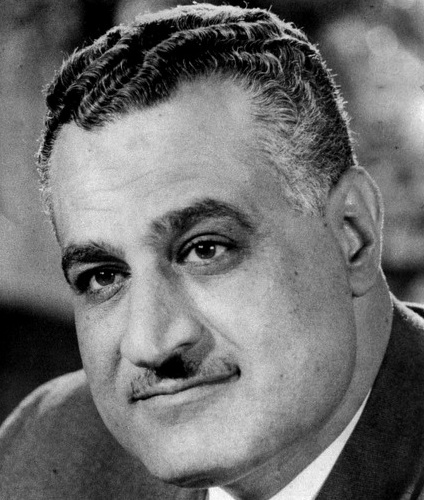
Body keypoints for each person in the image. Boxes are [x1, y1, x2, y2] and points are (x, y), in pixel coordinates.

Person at [1, 3, 423, 499]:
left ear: (353, 236)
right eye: (103, 276)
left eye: (205, 250)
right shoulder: (46, 448)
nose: (150, 344)